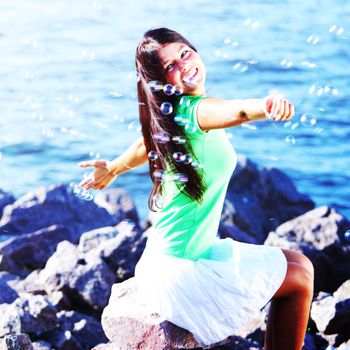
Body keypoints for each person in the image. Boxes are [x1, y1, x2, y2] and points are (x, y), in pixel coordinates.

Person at [78, 28, 314, 350]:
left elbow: (145, 143)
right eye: (169, 67)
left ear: (195, 50)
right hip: (180, 273)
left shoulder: (172, 115)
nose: (183, 65)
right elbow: (237, 112)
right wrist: (266, 105)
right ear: (159, 82)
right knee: (299, 282)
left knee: (300, 264)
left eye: (184, 54)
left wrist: (115, 168)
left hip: (173, 257)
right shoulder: (196, 111)